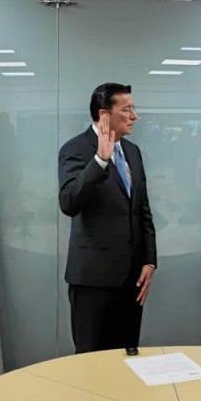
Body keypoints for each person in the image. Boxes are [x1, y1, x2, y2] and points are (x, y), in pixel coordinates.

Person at [59, 83, 157, 353]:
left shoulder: (133, 151)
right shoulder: (76, 149)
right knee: (92, 360)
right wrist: (100, 161)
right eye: (126, 110)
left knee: (127, 355)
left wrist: (149, 260)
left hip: (132, 280)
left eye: (133, 108)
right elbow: (69, 202)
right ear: (104, 115)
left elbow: (142, 210)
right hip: (93, 280)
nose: (134, 116)